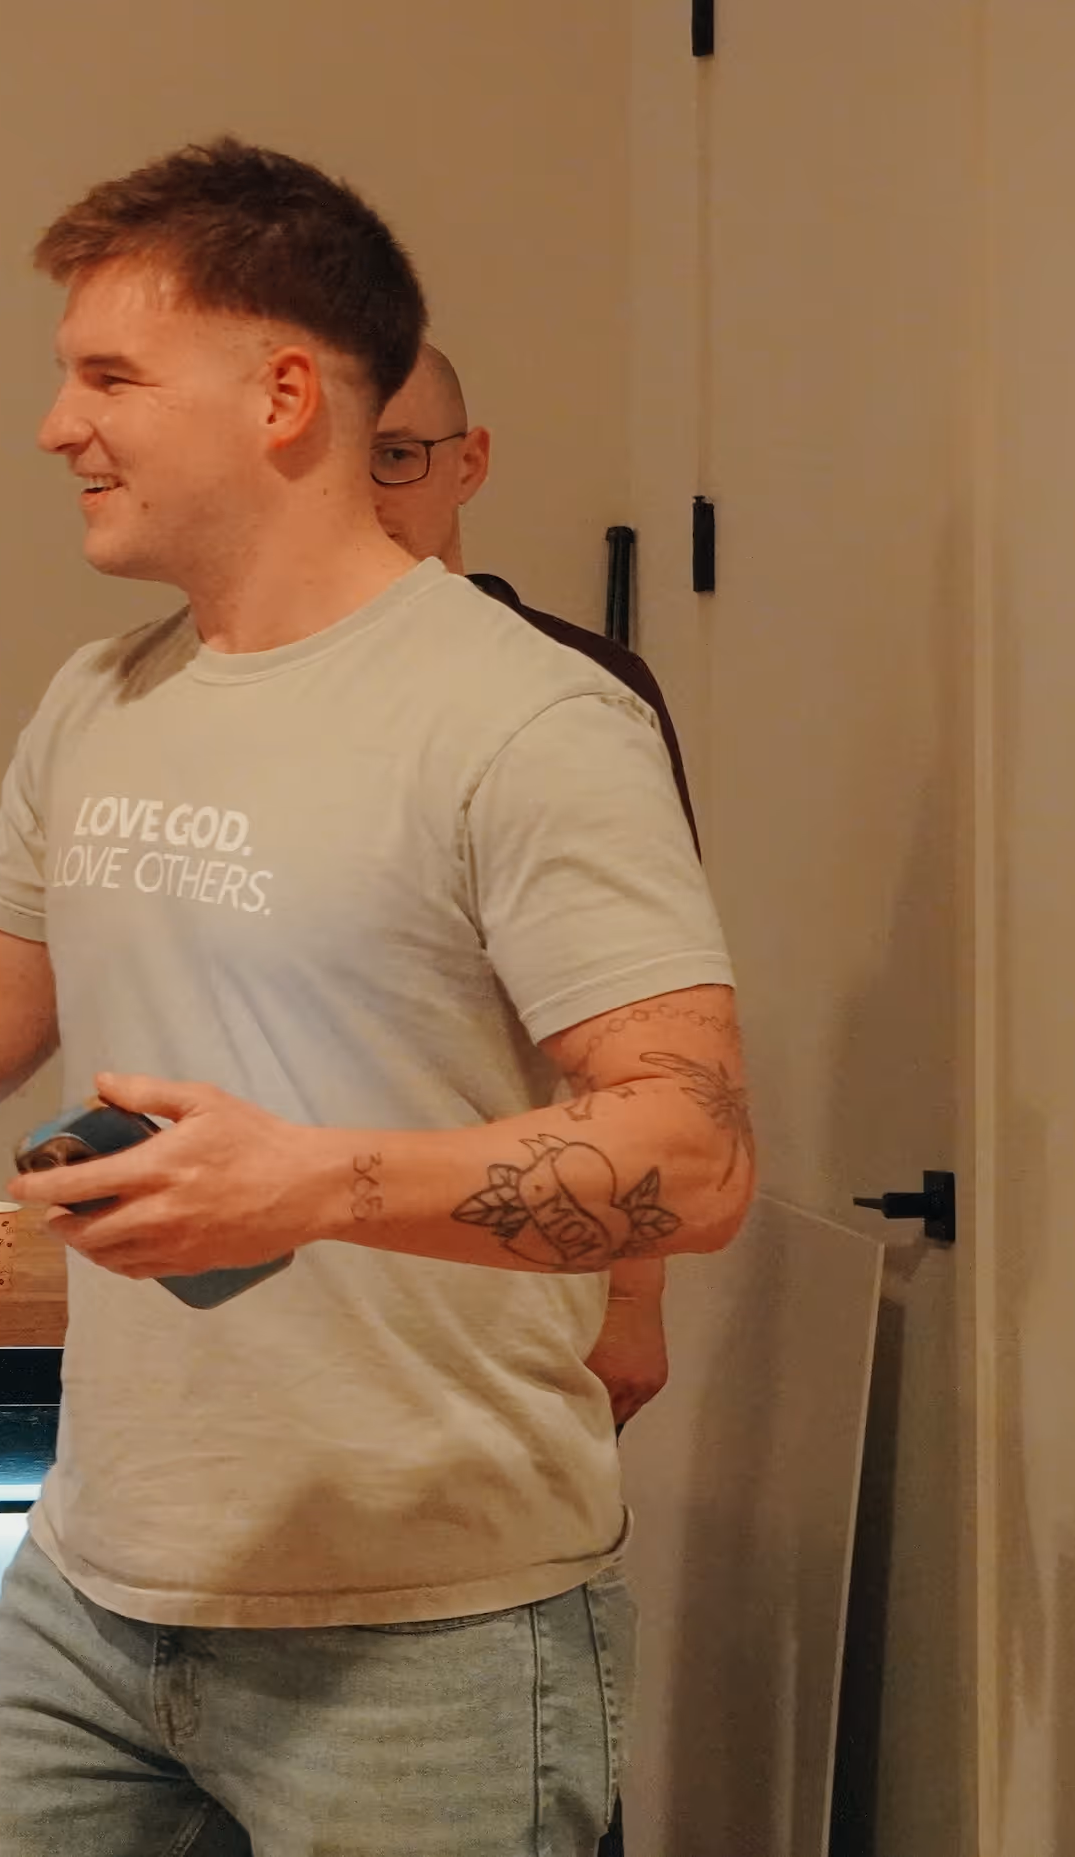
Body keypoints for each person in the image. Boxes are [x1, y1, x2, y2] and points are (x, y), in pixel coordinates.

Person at [0, 138, 754, 1856]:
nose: (58, 425)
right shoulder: (102, 695)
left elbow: (692, 1153)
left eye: (108, 374)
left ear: (284, 396)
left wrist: (313, 1182)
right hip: (93, 1585)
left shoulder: (526, 720)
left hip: (428, 1622)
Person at [368, 341, 691, 1429]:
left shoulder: (574, 694)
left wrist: (635, 1296)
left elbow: (651, 1041)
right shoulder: (221, 682)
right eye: (339, 460)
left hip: (512, 1299)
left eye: (400, 456)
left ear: (472, 464)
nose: (368, 494)